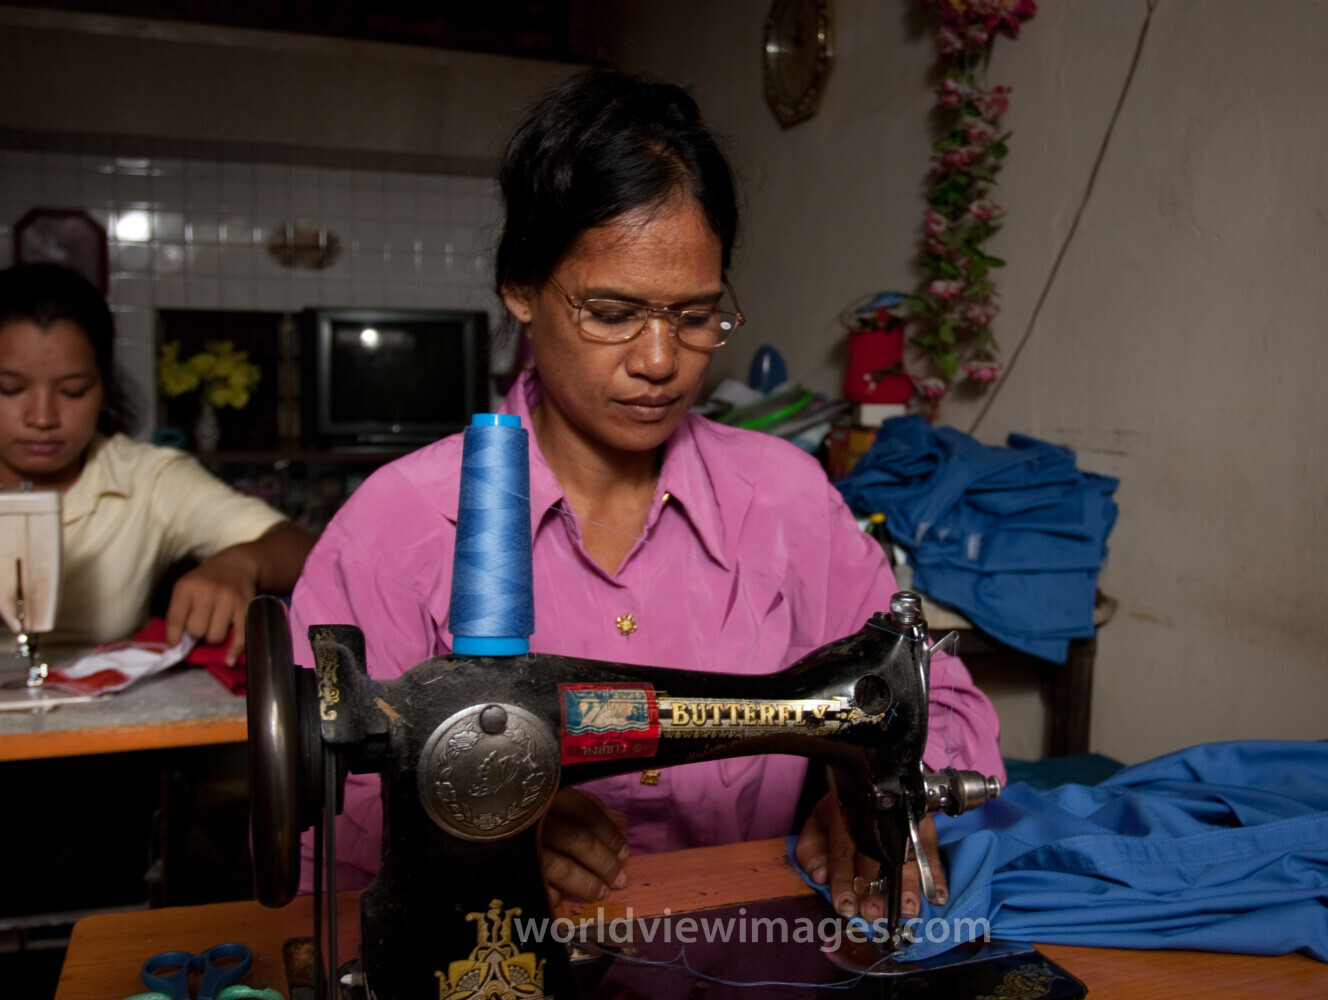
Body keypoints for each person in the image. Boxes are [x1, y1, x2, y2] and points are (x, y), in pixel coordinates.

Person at [289, 69, 1005, 923]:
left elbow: (942, 698)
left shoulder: (783, 501)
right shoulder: (402, 526)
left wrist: (880, 803)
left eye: (696, 315)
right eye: (613, 312)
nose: (661, 361)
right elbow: (317, 799)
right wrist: (462, 828)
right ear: (520, 287)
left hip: (744, 942)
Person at [0, 262, 313, 662]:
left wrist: (241, 563)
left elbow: (303, 548)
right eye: (9, 389)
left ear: (105, 386)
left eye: (73, 392)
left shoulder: (147, 479)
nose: (41, 417)